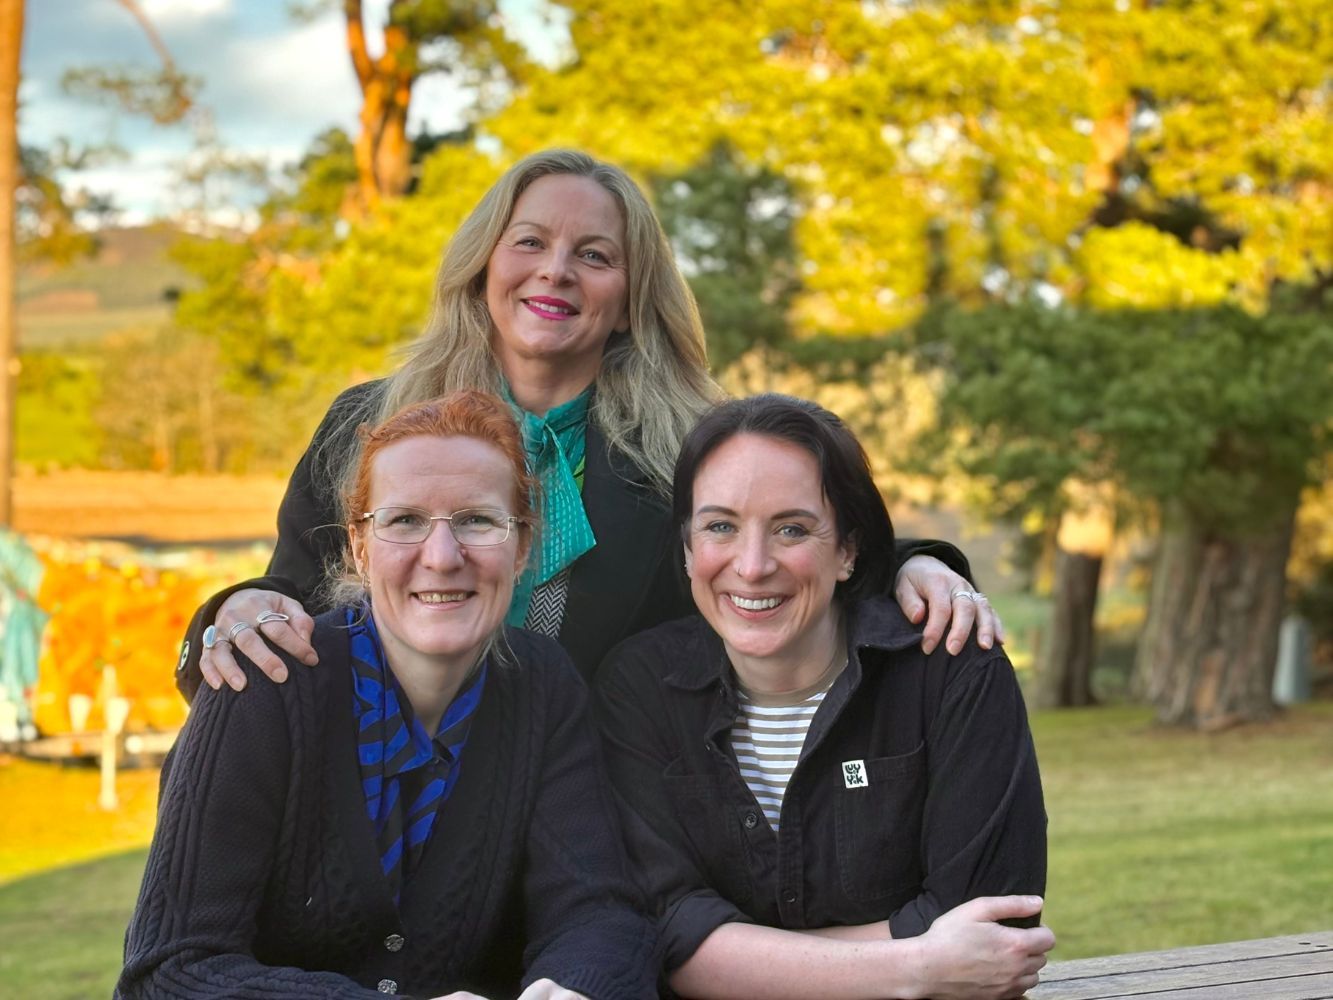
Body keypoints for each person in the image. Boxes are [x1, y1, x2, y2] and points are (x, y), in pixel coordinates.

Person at [174, 149, 1001, 698]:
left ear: (630, 297)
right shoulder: (368, 423)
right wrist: (238, 610)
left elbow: (803, 558)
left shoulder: (698, 447)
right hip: (391, 805)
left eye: (594, 256)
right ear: (482, 266)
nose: (556, 271)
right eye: (528, 241)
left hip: (608, 819)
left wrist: (918, 568)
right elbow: (292, 591)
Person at [120, 391, 656, 1000]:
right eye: (405, 521)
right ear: (358, 545)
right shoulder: (263, 684)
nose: (443, 557)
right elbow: (167, 971)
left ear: (523, 545)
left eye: (478, 521)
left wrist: (574, 986)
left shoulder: (543, 689)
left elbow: (599, 912)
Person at [595, 394, 1052, 1000]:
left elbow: (995, 932)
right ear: (686, 547)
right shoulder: (639, 687)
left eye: (792, 529)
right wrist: (918, 965)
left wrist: (735, 958)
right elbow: (662, 931)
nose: (752, 566)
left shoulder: (950, 667)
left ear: (848, 549)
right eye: (720, 526)